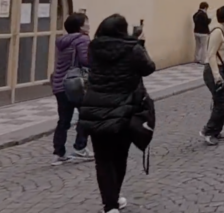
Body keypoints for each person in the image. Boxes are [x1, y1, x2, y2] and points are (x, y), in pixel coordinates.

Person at [79, 14, 156, 213]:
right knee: (119, 156)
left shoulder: (93, 47)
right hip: (124, 109)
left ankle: (110, 204)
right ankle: (114, 199)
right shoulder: (133, 48)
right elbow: (149, 68)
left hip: (95, 107)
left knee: (102, 159)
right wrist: (141, 43)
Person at [50, 12, 92, 165]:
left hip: (60, 85)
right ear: (80, 26)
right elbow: (85, 60)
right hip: (76, 84)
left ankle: (58, 152)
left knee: (63, 120)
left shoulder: (63, 41)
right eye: (86, 22)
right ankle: (80, 148)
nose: (88, 24)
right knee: (87, 115)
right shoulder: (82, 39)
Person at [202, 6, 224, 145]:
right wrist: (217, 76)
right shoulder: (217, 32)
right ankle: (208, 132)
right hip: (213, 71)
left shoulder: (222, 30)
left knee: (222, 102)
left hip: (220, 70)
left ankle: (216, 131)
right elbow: (210, 55)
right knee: (223, 103)